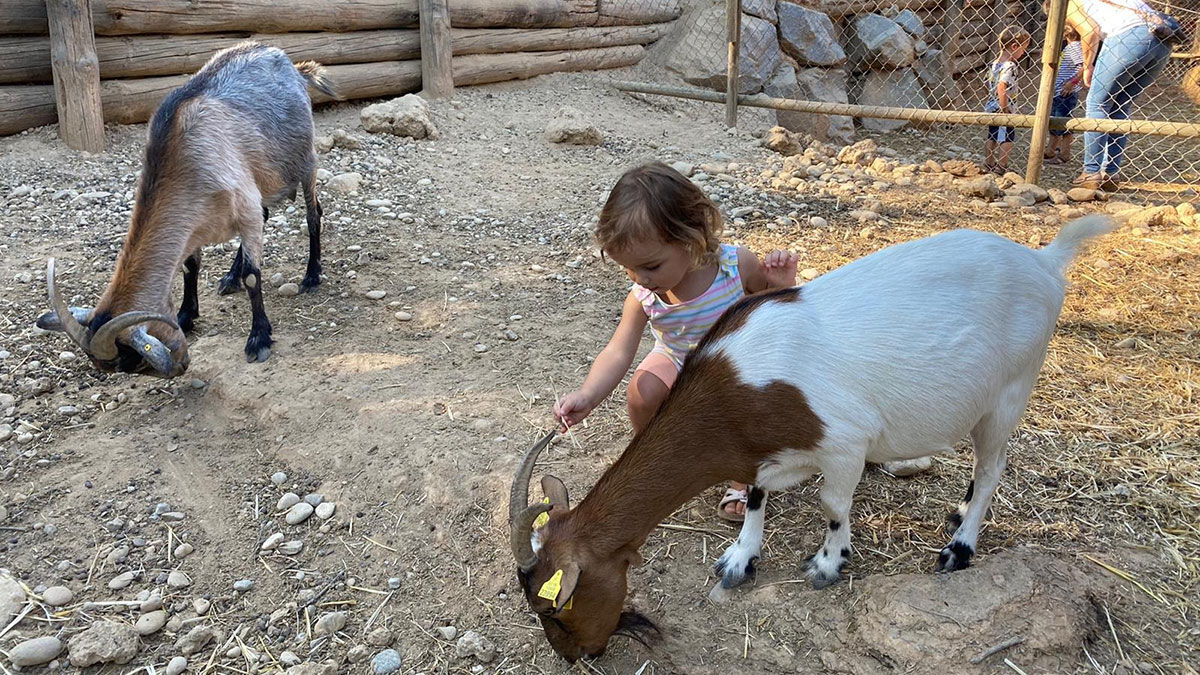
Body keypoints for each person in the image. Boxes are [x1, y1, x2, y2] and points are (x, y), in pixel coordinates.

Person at [553, 162, 798, 522]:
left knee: (741, 405)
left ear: (691, 238)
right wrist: (588, 396)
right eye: (630, 269)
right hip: (679, 358)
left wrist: (780, 283)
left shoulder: (735, 266)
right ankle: (663, 454)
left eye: (650, 266)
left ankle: (741, 480)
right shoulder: (644, 296)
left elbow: (773, 312)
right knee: (643, 389)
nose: (640, 278)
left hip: (731, 368)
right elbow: (618, 352)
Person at [1059, 0, 1174, 190]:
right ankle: (1110, 173)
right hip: (1163, 39)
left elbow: (1090, 31)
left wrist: (1087, 66)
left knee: (1098, 104)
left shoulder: (1068, 4)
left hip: (1129, 36)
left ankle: (1091, 172)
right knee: (1121, 104)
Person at [984, 27, 1032, 175]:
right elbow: (1002, 85)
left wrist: (992, 98)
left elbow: (987, 83)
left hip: (992, 105)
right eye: (1023, 49)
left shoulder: (994, 64)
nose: (1023, 53)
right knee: (1007, 137)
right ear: (1014, 47)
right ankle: (1002, 166)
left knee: (992, 135)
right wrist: (1004, 107)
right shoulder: (1010, 66)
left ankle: (989, 162)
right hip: (1004, 108)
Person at [1044, 27, 1085, 164]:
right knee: (1056, 120)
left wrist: (1072, 83)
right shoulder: (1069, 47)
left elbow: (1084, 67)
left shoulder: (1075, 47)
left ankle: (1064, 153)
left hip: (1065, 92)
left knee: (1064, 122)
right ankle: (1051, 149)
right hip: (1059, 92)